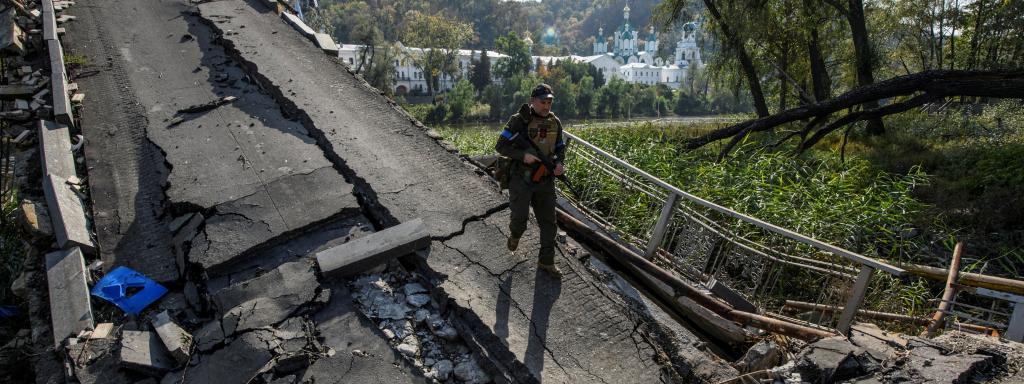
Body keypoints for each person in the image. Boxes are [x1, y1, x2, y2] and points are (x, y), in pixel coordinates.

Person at [495, 84, 566, 277]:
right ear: (532, 101)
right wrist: (522, 156)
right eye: (543, 102)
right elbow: (501, 146)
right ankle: (515, 234)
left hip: (545, 180)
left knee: (549, 223)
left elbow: (560, 147)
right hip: (522, 178)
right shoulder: (518, 121)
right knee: (520, 219)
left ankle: (546, 261)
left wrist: (559, 163)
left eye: (549, 102)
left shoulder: (555, 122)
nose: (546, 106)